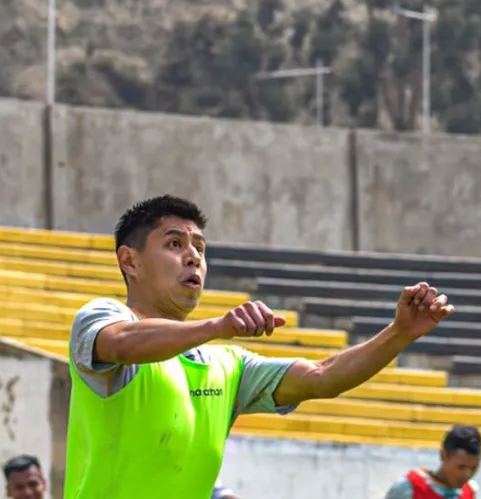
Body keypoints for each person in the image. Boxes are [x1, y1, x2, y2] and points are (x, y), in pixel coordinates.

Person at [65, 195, 455, 498]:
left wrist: (400, 333)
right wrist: (217, 326)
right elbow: (120, 344)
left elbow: (323, 377)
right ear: (130, 262)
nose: (193, 257)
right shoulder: (102, 316)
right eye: (174, 243)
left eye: (200, 247)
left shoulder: (226, 365)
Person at [383, 425, 481, 499]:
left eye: (473, 468)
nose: (467, 474)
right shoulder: (409, 487)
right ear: (443, 455)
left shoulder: (470, 492)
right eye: (461, 467)